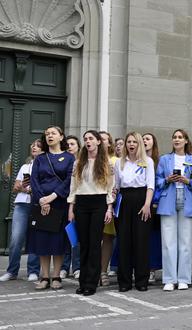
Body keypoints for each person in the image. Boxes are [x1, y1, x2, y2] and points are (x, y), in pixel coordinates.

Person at [27, 126, 75, 290]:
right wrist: (42, 199)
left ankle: (56, 276)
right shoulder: (40, 159)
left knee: (57, 241)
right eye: (47, 134)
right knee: (42, 240)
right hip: (41, 204)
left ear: (61, 137)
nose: (49, 136)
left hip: (60, 202)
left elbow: (69, 180)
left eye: (53, 133)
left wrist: (53, 196)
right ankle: (44, 276)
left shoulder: (69, 158)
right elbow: (34, 180)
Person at [67, 130, 114, 296]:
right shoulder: (79, 163)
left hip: (99, 202)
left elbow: (110, 187)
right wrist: (71, 208)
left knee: (95, 243)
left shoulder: (106, 163)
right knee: (84, 244)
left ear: (98, 142)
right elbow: (74, 186)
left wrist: (109, 208)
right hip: (81, 202)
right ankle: (83, 281)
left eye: (91, 139)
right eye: (86, 139)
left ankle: (91, 283)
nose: (88, 142)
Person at [156, 129, 192, 291]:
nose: (177, 139)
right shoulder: (164, 159)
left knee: (186, 242)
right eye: (174, 137)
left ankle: (183, 278)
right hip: (168, 198)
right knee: (168, 242)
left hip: (187, 199)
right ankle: (169, 278)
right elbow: (157, 181)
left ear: (186, 141)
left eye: (180, 137)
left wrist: (188, 181)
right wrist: (168, 179)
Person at [114, 132, 155, 292]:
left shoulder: (147, 162)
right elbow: (116, 185)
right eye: (128, 142)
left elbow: (150, 184)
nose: (131, 145)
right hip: (124, 200)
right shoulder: (120, 163)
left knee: (141, 241)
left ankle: (141, 280)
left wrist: (147, 204)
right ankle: (124, 281)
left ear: (139, 144)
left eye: (134, 142)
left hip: (141, 199)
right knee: (124, 241)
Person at [0, 139, 42, 283]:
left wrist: (32, 190)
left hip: (37, 205)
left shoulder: (45, 166)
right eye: (33, 146)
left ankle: (33, 270)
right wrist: (24, 188)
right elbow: (15, 188)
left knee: (35, 238)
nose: (34, 148)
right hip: (21, 205)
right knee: (16, 238)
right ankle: (12, 271)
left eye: (38, 146)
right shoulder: (25, 166)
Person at [142, 132, 162, 284]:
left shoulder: (158, 162)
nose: (144, 141)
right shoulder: (137, 161)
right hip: (139, 203)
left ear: (153, 143)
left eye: (147, 139)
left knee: (153, 239)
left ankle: (152, 270)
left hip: (155, 204)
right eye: (142, 139)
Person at [98, 131, 117, 285]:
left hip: (111, 203)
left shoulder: (116, 160)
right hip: (93, 202)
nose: (100, 141)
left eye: (103, 139)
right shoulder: (88, 160)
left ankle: (103, 271)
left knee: (107, 238)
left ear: (109, 143)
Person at [61, 135, 81, 279]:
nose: (69, 146)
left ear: (78, 147)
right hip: (62, 200)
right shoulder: (61, 163)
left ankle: (77, 266)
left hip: (77, 202)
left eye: (72, 144)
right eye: (67, 144)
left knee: (75, 235)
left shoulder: (81, 163)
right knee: (65, 235)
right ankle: (64, 266)